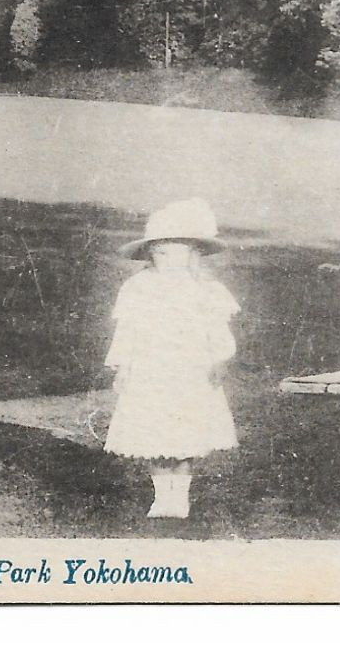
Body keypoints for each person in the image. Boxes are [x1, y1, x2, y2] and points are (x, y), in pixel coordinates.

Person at [104, 199, 239, 519]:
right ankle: (161, 496)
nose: (163, 258)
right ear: (149, 253)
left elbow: (216, 330)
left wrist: (218, 361)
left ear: (193, 253)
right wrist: (123, 367)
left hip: (190, 372)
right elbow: (128, 331)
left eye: (173, 251)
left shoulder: (205, 289)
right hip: (150, 371)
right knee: (153, 435)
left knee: (185, 434)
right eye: (158, 251)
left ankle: (180, 497)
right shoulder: (138, 288)